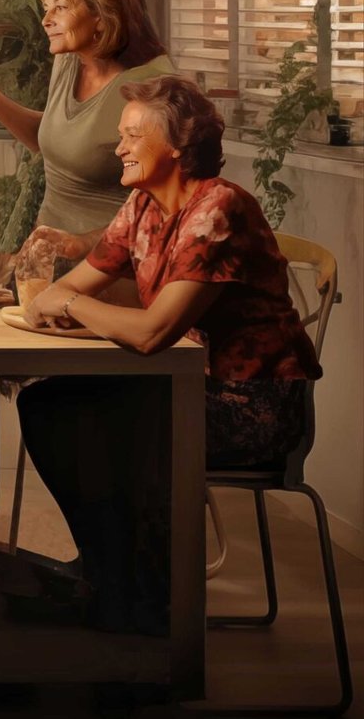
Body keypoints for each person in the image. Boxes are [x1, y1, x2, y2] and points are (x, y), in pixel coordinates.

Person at [18, 76, 321, 632]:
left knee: (114, 422)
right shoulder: (142, 206)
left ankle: (142, 610)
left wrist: (68, 304)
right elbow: (78, 287)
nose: (119, 149)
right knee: (45, 407)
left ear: (178, 146)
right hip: (186, 385)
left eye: (133, 136)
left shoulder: (218, 210)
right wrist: (56, 301)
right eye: (120, 136)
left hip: (252, 404)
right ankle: (111, 580)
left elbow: (153, 333)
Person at [0, 0, 173, 267]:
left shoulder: (151, 86)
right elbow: (52, 138)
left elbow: (167, 209)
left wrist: (80, 244)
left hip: (112, 268)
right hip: (46, 262)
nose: (46, 19)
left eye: (61, 8)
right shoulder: (69, 60)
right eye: (46, 8)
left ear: (101, 14)